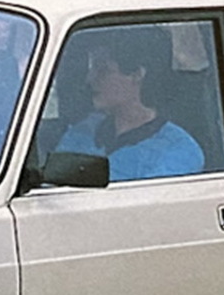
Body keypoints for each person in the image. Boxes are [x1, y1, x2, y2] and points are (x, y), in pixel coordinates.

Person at [51, 24, 205, 181]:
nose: (90, 79)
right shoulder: (81, 133)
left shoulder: (178, 150)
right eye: (92, 69)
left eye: (103, 70)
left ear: (137, 75)